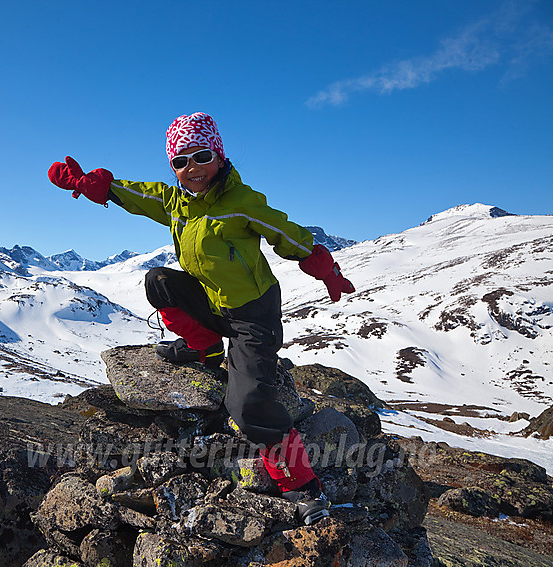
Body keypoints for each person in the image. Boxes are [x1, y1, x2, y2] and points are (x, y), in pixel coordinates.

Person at [48, 112, 354, 524]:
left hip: (252, 316)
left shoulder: (241, 203)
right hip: (213, 305)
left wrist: (324, 268)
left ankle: (303, 486)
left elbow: (287, 233)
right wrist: (96, 186)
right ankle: (204, 348)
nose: (190, 168)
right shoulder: (176, 200)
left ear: (220, 157)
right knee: (158, 281)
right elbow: (137, 194)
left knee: (245, 403)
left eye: (200, 156)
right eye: (180, 161)